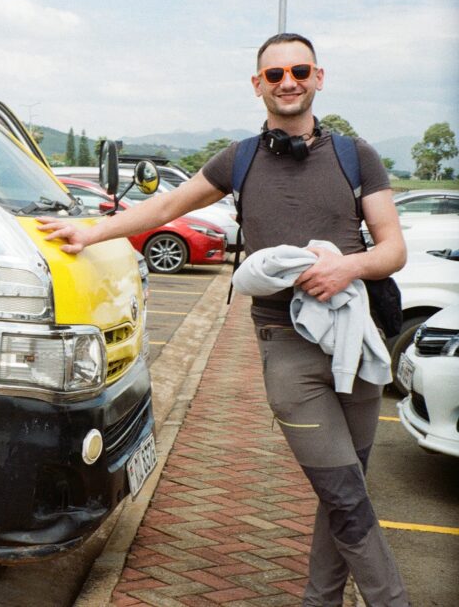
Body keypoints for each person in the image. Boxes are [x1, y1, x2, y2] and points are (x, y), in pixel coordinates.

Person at [37, 33, 409, 606]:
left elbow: (392, 249)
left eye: (300, 70)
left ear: (319, 77)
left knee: (345, 492)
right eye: (275, 74)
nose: (288, 81)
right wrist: (90, 232)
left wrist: (347, 268)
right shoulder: (239, 159)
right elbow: (165, 206)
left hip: (355, 341)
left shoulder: (355, 155)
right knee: (343, 492)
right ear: (258, 85)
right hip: (286, 344)